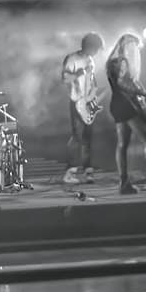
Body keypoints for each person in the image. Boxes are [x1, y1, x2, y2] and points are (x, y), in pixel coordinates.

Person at [105, 34, 146, 195]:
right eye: (133, 46)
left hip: (117, 104)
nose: (135, 51)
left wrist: (139, 90)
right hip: (126, 105)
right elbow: (122, 83)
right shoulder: (121, 61)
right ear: (127, 45)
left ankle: (124, 182)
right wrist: (143, 92)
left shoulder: (112, 61)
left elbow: (124, 82)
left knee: (122, 144)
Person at [61, 32, 104, 184]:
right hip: (77, 101)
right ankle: (70, 172)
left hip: (88, 102)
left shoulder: (90, 60)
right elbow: (65, 78)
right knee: (77, 136)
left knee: (88, 138)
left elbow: (92, 80)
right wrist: (78, 73)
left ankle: (88, 170)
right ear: (89, 46)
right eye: (96, 48)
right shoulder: (72, 59)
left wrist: (93, 95)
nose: (97, 52)